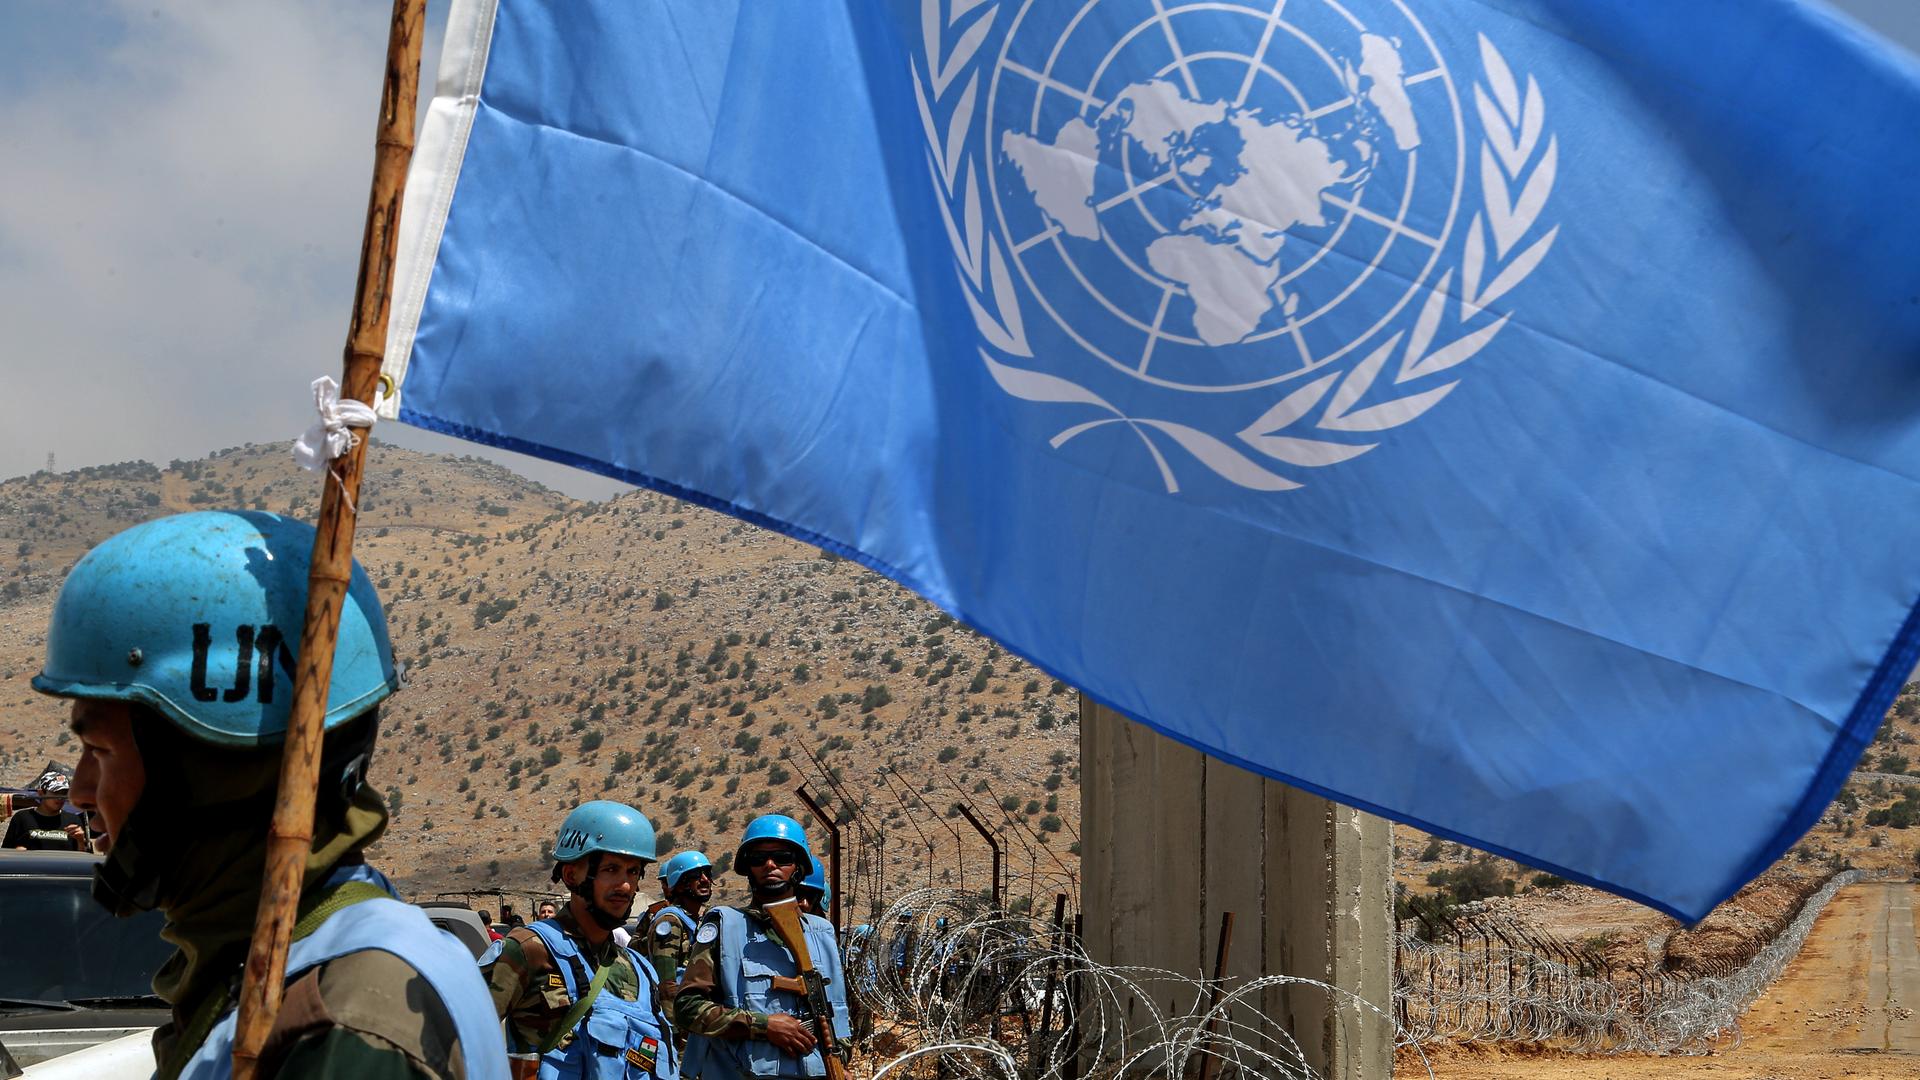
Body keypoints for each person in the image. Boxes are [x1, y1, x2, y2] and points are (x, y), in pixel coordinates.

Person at [35, 510, 506, 1079]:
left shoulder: (341, 1015)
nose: (81, 791)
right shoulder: (300, 960)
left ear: (213, 769)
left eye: (102, 753)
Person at [484, 801, 676, 1078]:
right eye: (611, 869)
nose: (624, 885)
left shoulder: (640, 970)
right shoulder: (529, 950)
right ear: (571, 875)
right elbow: (459, 1041)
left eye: (633, 872)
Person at [676, 816, 851, 1079]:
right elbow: (687, 1008)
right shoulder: (726, 927)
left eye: (782, 857)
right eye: (758, 859)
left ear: (799, 867)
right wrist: (764, 1026)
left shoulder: (822, 934)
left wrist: (839, 1065)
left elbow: (838, 1015)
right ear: (747, 868)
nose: (770, 865)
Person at [644, 851, 714, 995]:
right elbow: (666, 986)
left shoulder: (698, 919)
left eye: (707, 873)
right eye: (695, 875)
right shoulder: (670, 921)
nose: (705, 879)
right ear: (679, 884)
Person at [3, 769, 88, 851]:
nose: (60, 797)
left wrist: (80, 841)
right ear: (41, 793)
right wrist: (17, 853)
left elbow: (84, 859)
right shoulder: (22, 818)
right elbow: (6, 853)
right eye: (55, 792)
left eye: (64, 793)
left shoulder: (73, 820)